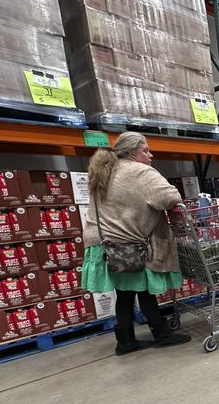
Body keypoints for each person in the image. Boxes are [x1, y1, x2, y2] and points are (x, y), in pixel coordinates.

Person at [81, 132, 191, 356]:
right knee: (143, 290)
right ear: (132, 152)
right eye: (145, 151)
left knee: (125, 293)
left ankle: (126, 341)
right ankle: (160, 334)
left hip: (104, 244)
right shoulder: (139, 171)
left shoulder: (106, 169)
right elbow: (169, 197)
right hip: (128, 246)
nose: (151, 155)